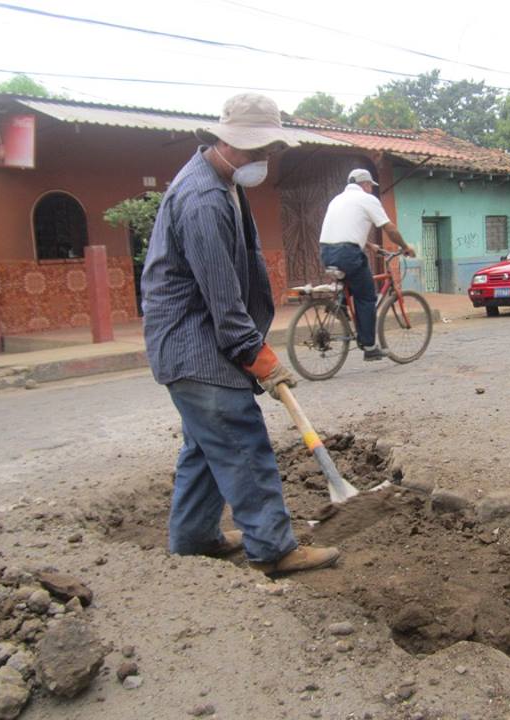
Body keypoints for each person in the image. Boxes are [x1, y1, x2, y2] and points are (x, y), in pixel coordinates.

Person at [140, 93, 340, 576]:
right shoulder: (203, 199)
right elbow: (222, 300)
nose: (262, 161)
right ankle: (273, 548)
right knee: (242, 440)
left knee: (206, 449)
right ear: (223, 140)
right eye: (254, 151)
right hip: (196, 347)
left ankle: (192, 540)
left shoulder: (222, 179)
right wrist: (258, 356)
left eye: (267, 151)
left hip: (197, 343)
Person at [319, 169, 416, 361]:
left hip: (326, 252)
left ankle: (340, 304)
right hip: (348, 254)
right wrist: (404, 247)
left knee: (352, 280)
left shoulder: (337, 199)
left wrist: (371, 246)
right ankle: (370, 347)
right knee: (367, 296)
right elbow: (389, 228)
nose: (371, 189)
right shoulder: (367, 199)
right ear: (365, 184)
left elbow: (346, 230)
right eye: (371, 185)